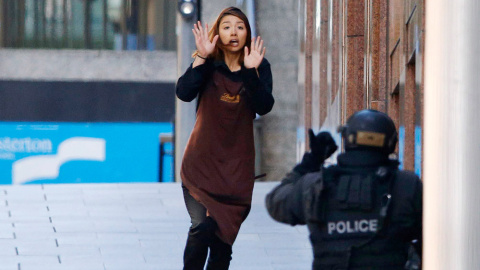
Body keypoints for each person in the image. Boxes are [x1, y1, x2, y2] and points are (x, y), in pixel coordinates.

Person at [176, 6, 274, 270]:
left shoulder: (259, 66)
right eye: (227, 26)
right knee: (201, 228)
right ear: (217, 32)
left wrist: (251, 73)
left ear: (248, 33)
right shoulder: (207, 64)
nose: (234, 32)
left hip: (236, 173)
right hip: (200, 168)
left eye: (240, 27)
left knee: (222, 245)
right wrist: (200, 58)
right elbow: (184, 92)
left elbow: (264, 106)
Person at [265, 109, 422, 270]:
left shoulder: (316, 185)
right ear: (391, 143)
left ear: (346, 139)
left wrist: (313, 159)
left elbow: (276, 203)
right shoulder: (407, 185)